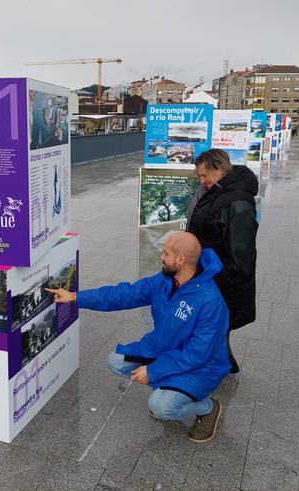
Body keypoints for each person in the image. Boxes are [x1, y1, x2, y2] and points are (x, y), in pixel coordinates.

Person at [46, 232, 231, 443]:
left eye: (166, 253)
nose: (161, 257)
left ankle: (207, 408)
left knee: (160, 407)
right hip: (162, 350)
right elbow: (124, 294)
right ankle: (168, 390)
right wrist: (75, 297)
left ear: (180, 260)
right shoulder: (165, 280)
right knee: (115, 361)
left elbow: (197, 354)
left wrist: (153, 371)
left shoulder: (210, 302)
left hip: (201, 368)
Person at [186, 149, 258, 374]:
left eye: (204, 175)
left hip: (220, 278)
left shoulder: (239, 204)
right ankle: (221, 362)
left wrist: (209, 271)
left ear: (219, 169)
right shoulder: (214, 190)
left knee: (213, 326)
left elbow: (241, 260)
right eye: (198, 176)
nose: (202, 181)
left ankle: (212, 370)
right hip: (208, 273)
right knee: (213, 327)